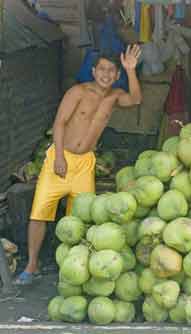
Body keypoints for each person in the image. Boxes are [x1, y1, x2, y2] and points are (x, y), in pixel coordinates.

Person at [15, 44, 142, 285]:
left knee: (83, 217)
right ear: (93, 71)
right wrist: (60, 157)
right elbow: (60, 123)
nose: (106, 74)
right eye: (101, 69)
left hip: (85, 163)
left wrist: (131, 70)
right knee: (40, 213)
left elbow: (135, 99)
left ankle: (73, 265)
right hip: (60, 158)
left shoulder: (115, 96)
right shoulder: (78, 92)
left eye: (111, 71)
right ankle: (32, 266)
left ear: (116, 76)